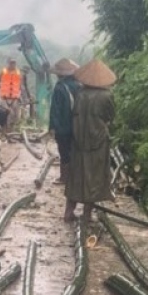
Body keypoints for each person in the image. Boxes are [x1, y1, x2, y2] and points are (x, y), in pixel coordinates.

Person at [64, 59, 116, 224]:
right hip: (98, 141)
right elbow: (110, 116)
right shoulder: (106, 96)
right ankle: (87, 213)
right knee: (95, 176)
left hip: (78, 139)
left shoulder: (79, 94)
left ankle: (68, 211)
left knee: (76, 175)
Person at [47, 58, 79, 185]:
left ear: (59, 74)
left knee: (64, 151)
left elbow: (55, 110)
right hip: (77, 125)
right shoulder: (79, 86)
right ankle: (76, 176)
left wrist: (52, 127)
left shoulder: (59, 88)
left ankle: (65, 178)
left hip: (63, 126)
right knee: (75, 150)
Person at [0, 57, 24, 130]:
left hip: (15, 97)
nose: (13, 65)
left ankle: (12, 128)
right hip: (4, 97)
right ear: (8, 64)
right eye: (11, 63)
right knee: (4, 112)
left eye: (14, 63)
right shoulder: (3, 71)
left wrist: (21, 95)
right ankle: (4, 127)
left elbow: (20, 84)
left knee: (16, 115)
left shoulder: (18, 72)